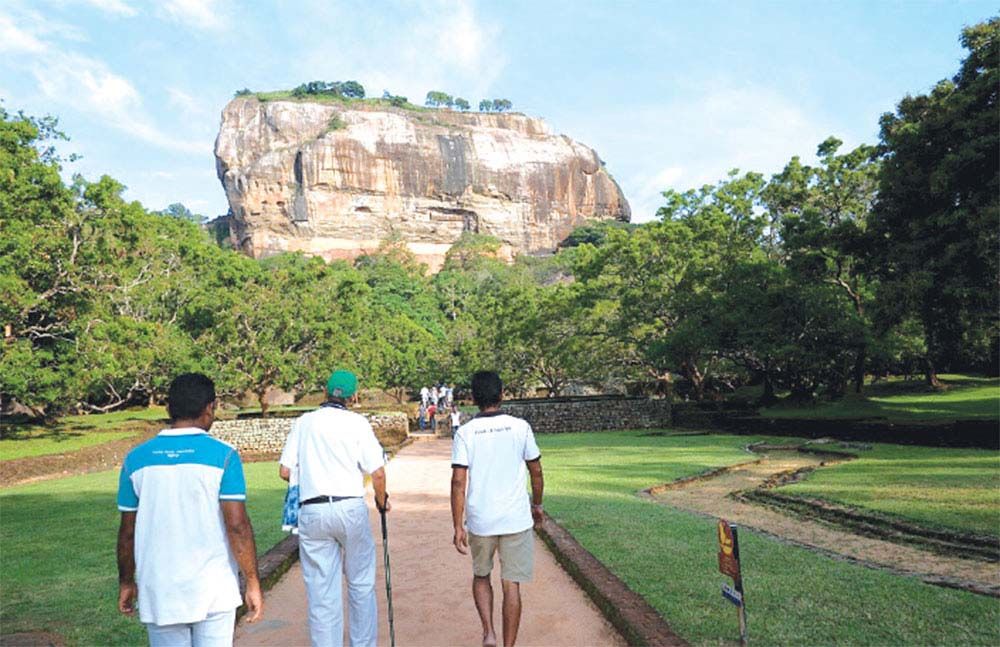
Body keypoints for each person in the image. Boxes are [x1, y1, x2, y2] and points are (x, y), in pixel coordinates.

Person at [116, 373, 263, 646]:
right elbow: (237, 526)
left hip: (159, 590)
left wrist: (126, 582)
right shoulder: (225, 455)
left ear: (169, 409)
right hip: (213, 590)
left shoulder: (135, 459)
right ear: (210, 407)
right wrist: (252, 581)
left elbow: (127, 532)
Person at [279, 369, 390, 647]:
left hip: (313, 510)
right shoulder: (357, 423)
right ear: (353, 396)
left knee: (321, 592)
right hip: (349, 507)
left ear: (326, 392)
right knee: (361, 584)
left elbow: (284, 470)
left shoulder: (304, 422)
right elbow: (376, 472)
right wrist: (380, 500)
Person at [451, 371, 544, 647]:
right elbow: (536, 471)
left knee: (481, 574)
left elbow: (458, 481)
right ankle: (508, 645)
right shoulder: (520, 427)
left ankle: (489, 632)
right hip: (515, 518)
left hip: (481, 519)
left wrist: (457, 524)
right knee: (511, 584)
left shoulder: (465, 432)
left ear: (474, 398)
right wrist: (537, 505)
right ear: (501, 394)